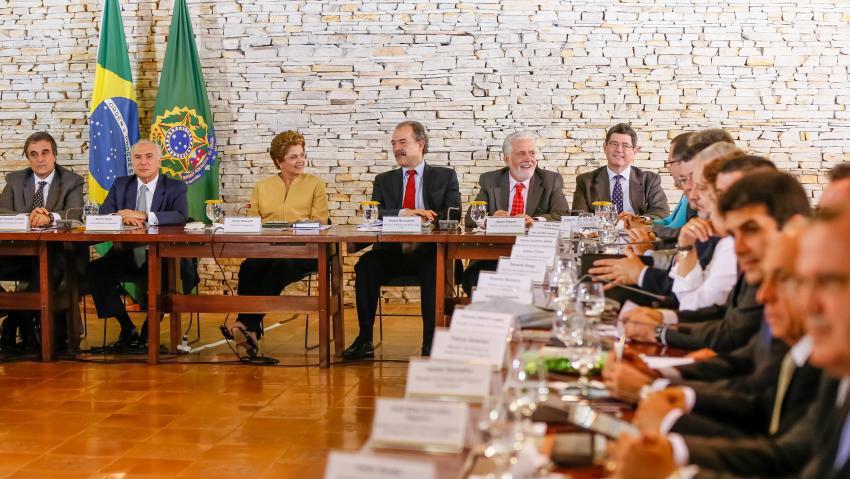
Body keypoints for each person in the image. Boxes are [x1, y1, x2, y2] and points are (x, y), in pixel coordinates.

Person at [612, 207, 850, 479]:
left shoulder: (826, 362)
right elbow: (785, 448)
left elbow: (777, 448)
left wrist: (677, 469)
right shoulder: (837, 373)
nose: (763, 296)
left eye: (824, 282)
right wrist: (660, 386)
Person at [621, 169, 811, 353]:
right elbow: (725, 314)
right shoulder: (736, 250)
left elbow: (730, 332)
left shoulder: (801, 284)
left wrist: (659, 329)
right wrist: (662, 318)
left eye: (710, 189)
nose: (694, 194)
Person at [343, 121, 461, 360]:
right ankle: (364, 339)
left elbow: (454, 213)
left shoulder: (444, 176)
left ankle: (431, 341)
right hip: (392, 251)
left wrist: (427, 216)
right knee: (365, 266)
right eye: (394, 143)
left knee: (434, 268)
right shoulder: (383, 180)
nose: (397, 148)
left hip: (428, 251)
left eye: (403, 142)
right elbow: (375, 213)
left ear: (420, 144)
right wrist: (404, 212)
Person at [228, 131, 329, 357]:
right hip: (268, 247)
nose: (300, 160)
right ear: (278, 161)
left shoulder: (316, 184)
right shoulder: (262, 187)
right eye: (293, 157)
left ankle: (246, 324)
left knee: (281, 266)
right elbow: (253, 221)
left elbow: (320, 221)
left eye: (302, 155)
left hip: (305, 250)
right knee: (249, 266)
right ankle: (250, 331)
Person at [86, 140, 188, 348]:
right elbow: (104, 215)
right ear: (132, 161)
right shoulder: (121, 184)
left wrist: (142, 215)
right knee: (96, 270)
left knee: (163, 276)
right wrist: (121, 218)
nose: (143, 162)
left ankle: (149, 330)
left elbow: (180, 216)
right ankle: (126, 326)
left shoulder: (174, 187)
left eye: (149, 156)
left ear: (159, 160)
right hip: (127, 254)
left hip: (163, 256)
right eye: (138, 157)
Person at [0, 131, 85, 351]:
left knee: (50, 265)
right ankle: (17, 313)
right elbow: (2, 211)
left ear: (54, 155)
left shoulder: (71, 181)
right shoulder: (16, 180)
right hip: (18, 253)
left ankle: (17, 317)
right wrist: (27, 218)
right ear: (28, 158)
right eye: (33, 154)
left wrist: (49, 217)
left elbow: (74, 214)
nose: (40, 159)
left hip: (58, 254)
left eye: (45, 153)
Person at [461, 131, 569, 295]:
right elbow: (470, 218)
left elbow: (563, 215)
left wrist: (535, 221)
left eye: (532, 153)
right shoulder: (490, 181)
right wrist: (490, 220)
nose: (529, 159)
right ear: (506, 159)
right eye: (521, 153)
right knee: (473, 279)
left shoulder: (550, 180)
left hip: (535, 257)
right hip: (493, 255)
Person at [572, 122, 670, 219]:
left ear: (635, 151)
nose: (619, 149)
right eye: (614, 144)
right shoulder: (585, 181)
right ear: (605, 147)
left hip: (636, 232)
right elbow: (578, 215)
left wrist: (638, 220)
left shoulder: (650, 180)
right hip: (600, 233)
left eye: (625, 145)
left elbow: (661, 212)